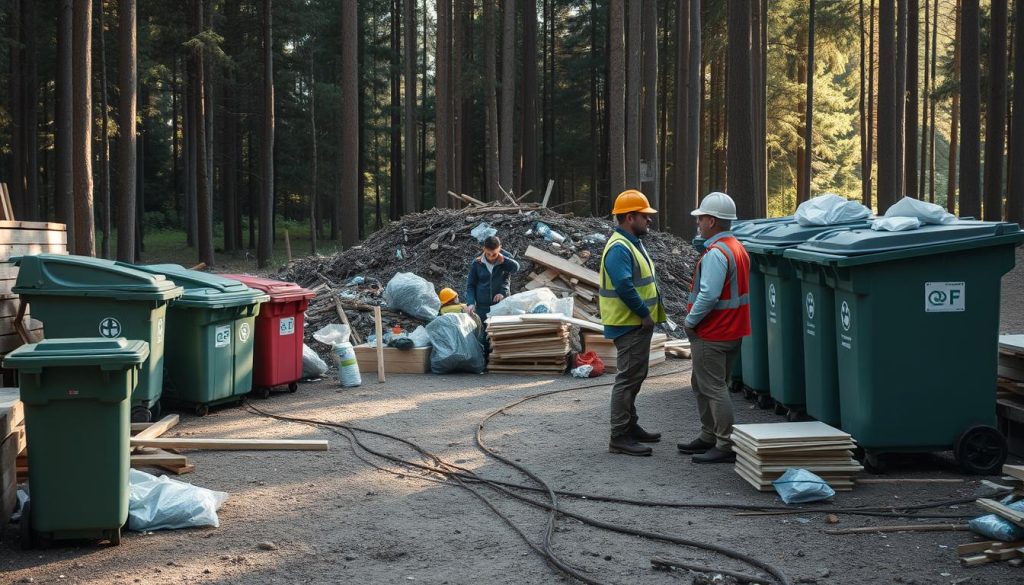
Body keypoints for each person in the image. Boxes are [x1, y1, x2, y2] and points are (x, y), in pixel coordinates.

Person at [677, 192, 751, 464]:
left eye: (700, 218)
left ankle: (724, 443)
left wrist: (690, 321)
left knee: (713, 387)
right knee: (704, 383)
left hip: (712, 332)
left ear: (711, 220)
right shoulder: (737, 248)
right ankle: (709, 435)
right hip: (732, 330)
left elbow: (708, 295)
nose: (698, 223)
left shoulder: (716, 253)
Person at [599, 189, 666, 456]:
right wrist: (644, 314)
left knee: (635, 376)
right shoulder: (619, 248)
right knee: (627, 378)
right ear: (629, 217)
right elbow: (625, 285)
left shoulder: (631, 243)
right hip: (630, 323)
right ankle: (619, 436)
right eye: (644, 216)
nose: (649, 220)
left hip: (634, 323)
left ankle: (630, 426)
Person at [464, 235, 521, 324]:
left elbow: (514, 270)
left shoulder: (505, 258)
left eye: (494, 254)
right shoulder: (477, 262)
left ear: (500, 248)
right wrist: (471, 303)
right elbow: (470, 285)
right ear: (484, 249)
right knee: (484, 333)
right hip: (482, 306)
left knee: (500, 333)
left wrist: (503, 293)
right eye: (488, 254)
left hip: (501, 304)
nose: (491, 257)